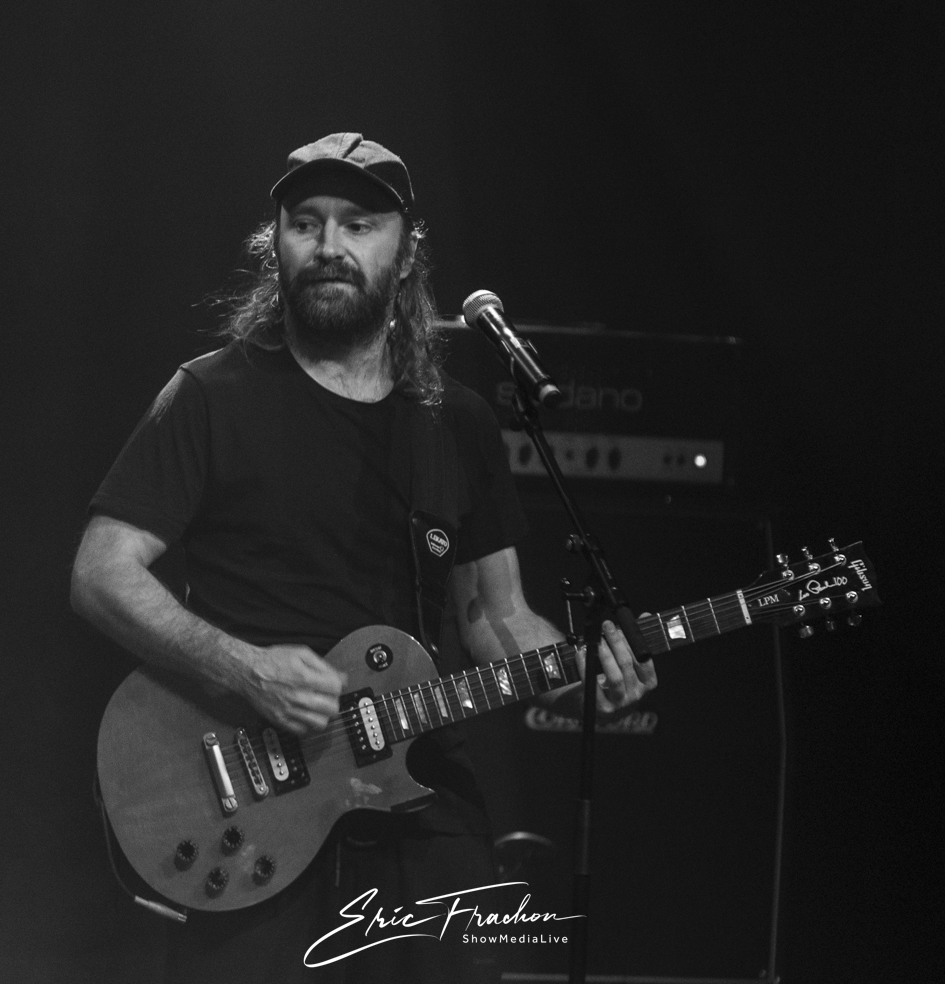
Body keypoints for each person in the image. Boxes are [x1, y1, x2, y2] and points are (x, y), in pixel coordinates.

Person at [70, 132, 657, 983]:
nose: (329, 245)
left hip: (417, 786)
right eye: (306, 222)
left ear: (406, 251)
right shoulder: (209, 394)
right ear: (275, 244)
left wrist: (577, 675)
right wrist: (244, 667)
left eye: (358, 224)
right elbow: (101, 571)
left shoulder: (454, 422)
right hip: (251, 796)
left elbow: (493, 617)